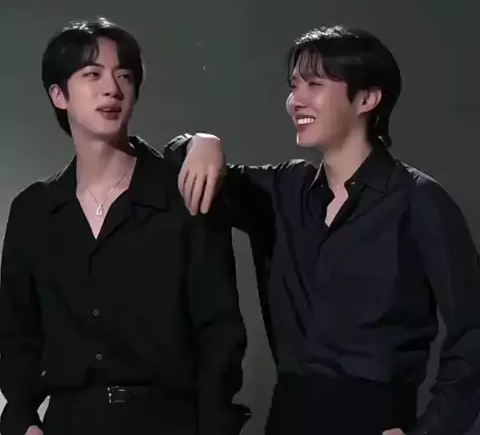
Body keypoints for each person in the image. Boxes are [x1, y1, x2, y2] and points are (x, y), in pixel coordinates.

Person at [164, 25, 480, 434]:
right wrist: (200, 142)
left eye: (314, 84)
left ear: (367, 99)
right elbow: (189, 171)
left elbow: (474, 330)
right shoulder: (283, 190)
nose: (296, 100)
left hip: (374, 420)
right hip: (287, 419)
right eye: (293, 86)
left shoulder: (419, 201)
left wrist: (433, 431)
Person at [0, 17, 249, 435]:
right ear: (59, 95)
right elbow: (16, 333)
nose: (112, 89)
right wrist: (22, 419)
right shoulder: (34, 210)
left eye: (124, 76)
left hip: (168, 422)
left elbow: (219, 331)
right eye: (93, 74)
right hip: (70, 420)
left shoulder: (181, 194)